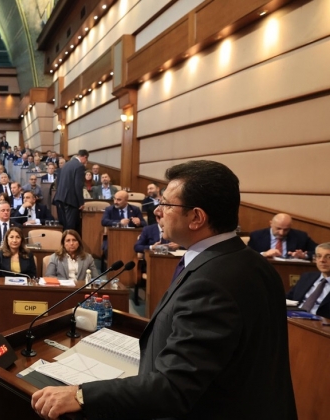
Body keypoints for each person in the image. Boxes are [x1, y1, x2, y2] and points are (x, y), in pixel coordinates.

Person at [31, 160, 296, 420]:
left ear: (196, 217)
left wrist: (81, 395)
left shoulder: (211, 284)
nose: (158, 211)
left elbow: (174, 388)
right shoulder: (256, 263)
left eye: (167, 204)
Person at [286, 242, 330, 318]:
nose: (322, 260)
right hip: (293, 319)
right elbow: (288, 298)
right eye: (318, 256)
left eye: (329, 257)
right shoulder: (307, 277)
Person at [248, 213, 317, 260]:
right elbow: (248, 255)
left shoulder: (301, 236)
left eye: (286, 230)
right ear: (271, 223)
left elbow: (318, 251)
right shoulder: (257, 236)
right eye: (278, 228)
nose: (281, 233)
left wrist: (304, 255)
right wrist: (264, 254)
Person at [52, 150, 88, 232]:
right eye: (86, 160)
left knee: (64, 224)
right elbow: (78, 185)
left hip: (60, 198)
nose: (85, 162)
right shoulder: (79, 166)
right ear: (84, 157)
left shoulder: (66, 164)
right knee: (71, 226)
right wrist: (81, 202)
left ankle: (65, 242)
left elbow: (59, 181)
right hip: (71, 200)